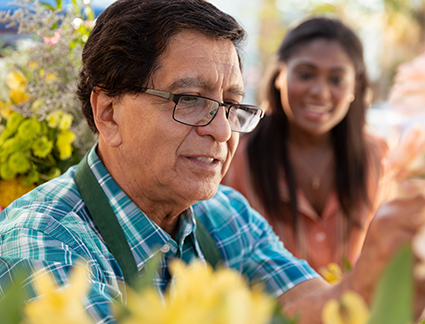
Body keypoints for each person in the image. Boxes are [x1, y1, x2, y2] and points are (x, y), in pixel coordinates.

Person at [0, 1, 424, 324]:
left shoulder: (225, 214)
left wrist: (386, 271)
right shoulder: (43, 242)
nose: (222, 132)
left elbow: (306, 307)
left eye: (231, 105)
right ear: (108, 113)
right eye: (190, 100)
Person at [223, 17, 389, 271]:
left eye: (336, 80)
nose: (319, 92)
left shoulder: (378, 157)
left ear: (354, 87)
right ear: (279, 75)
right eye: (305, 74)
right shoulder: (235, 158)